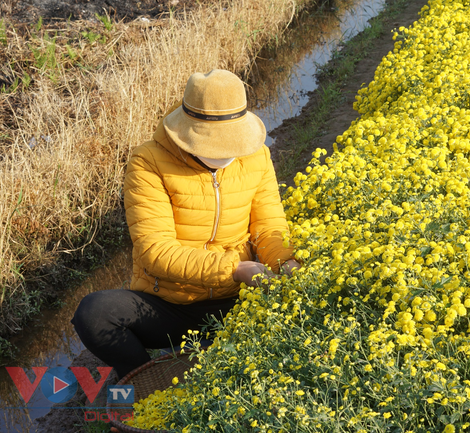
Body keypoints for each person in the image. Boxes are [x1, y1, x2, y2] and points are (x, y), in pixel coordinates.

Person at [71, 69, 300, 379]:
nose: (227, 152)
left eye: (233, 143)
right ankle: (146, 382)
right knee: (94, 314)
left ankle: (210, 351)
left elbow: (269, 225)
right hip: (170, 305)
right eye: (216, 144)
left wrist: (287, 263)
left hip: (236, 299)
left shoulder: (256, 157)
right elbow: (156, 251)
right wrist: (235, 268)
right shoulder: (148, 163)